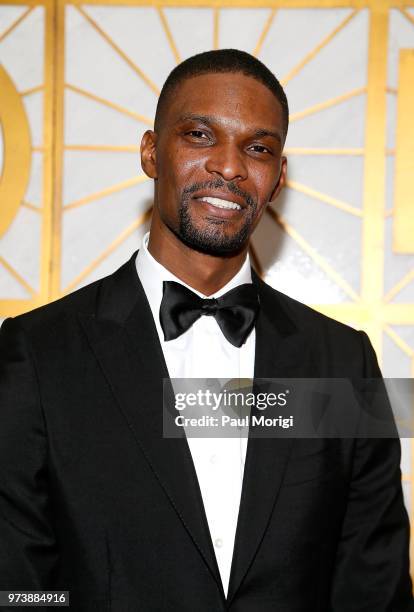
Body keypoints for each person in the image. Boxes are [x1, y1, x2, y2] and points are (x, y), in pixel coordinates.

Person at [0, 49, 412, 611]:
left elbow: (374, 588)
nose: (229, 166)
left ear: (278, 176)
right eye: (199, 135)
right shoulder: (37, 353)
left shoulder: (342, 361)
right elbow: (18, 586)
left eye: (258, 148)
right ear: (151, 152)